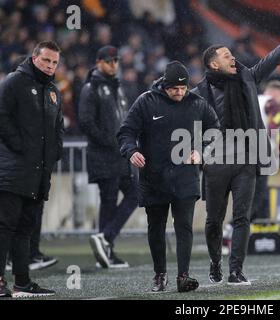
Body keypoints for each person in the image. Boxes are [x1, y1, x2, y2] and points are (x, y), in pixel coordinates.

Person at [192, 15, 280, 285]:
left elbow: (273, 59)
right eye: (226, 55)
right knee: (214, 221)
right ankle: (216, 262)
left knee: (242, 217)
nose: (232, 57)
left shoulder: (248, 78)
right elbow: (190, 124)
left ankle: (236, 270)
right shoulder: (199, 93)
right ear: (213, 64)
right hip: (215, 163)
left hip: (247, 160)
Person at [117, 61, 220, 293]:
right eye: (175, 89)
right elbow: (126, 131)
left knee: (184, 227)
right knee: (156, 228)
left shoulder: (197, 103)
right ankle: (159, 274)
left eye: (184, 89)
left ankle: (183, 276)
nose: (180, 93)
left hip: (186, 178)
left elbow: (215, 129)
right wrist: (131, 151)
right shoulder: (146, 101)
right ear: (164, 84)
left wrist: (202, 150)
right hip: (154, 178)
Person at [0, 41, 64, 298]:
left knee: (26, 228)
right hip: (12, 171)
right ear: (34, 58)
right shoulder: (14, 82)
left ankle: (22, 282)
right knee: (4, 226)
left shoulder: (53, 90)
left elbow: (58, 125)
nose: (50, 66)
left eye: (55, 62)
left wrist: (55, 151)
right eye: (46, 60)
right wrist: (19, 146)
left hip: (38, 173)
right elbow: (1, 116)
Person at [78, 46, 138, 269]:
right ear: (98, 62)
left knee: (135, 193)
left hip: (119, 155)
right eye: (109, 60)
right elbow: (85, 121)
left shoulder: (118, 87)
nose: (114, 64)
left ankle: (105, 239)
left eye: (116, 60)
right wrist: (109, 141)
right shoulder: (91, 87)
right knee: (110, 200)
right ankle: (106, 248)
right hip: (104, 155)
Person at [251, 80, 280, 221]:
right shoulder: (273, 104)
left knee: (256, 191)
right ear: (279, 94)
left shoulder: (253, 99)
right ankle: (236, 226)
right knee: (259, 192)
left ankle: (259, 224)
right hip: (261, 151)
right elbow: (273, 128)